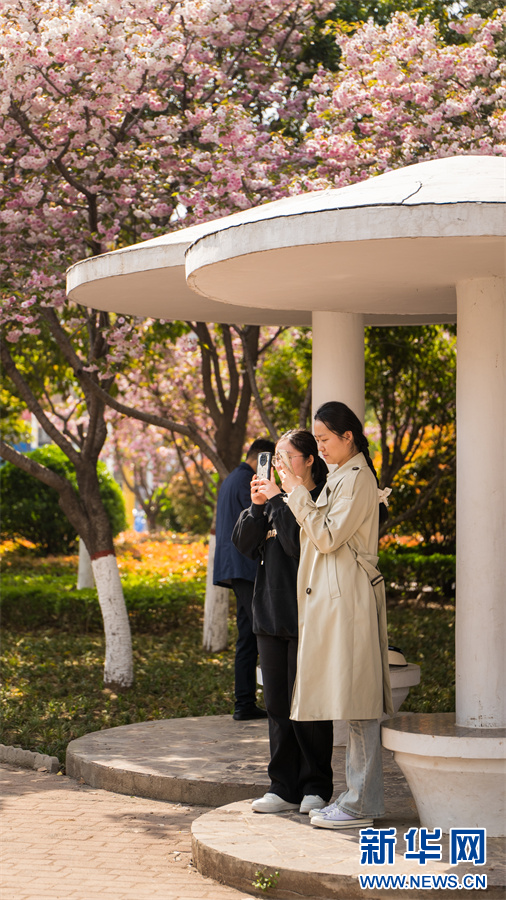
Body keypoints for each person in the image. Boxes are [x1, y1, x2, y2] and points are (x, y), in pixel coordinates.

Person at [276, 402, 393, 830]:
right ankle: (358, 797)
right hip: (337, 600)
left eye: (325, 439)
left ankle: (361, 803)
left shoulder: (358, 479)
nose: (320, 447)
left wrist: (296, 495)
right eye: (318, 439)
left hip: (350, 601)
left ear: (348, 437)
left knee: (360, 705)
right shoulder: (345, 476)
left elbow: (325, 536)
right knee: (351, 702)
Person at [232, 430, 334, 814]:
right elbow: (242, 542)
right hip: (269, 615)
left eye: (287, 457)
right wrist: (258, 506)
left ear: (308, 460)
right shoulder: (271, 502)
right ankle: (282, 786)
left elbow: (296, 543)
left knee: (307, 706)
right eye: (276, 457)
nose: (279, 465)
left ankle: (316, 787)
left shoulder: (318, 499)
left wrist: (279, 499)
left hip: (306, 617)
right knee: (276, 705)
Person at [213, 438, 274, 721]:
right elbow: (256, 521)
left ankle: (244, 703)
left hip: (237, 567)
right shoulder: (246, 480)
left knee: (248, 636)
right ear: (263, 459)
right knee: (262, 633)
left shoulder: (232, 479)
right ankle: (268, 702)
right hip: (246, 567)